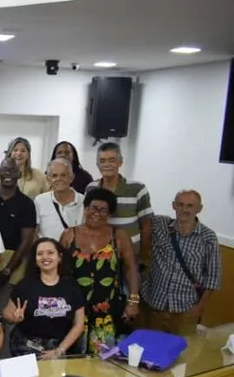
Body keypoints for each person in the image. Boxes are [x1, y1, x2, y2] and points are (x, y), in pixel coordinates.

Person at [59, 188, 139, 354]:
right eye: (93, 208)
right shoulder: (69, 235)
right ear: (85, 208)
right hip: (74, 308)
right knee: (72, 356)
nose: (97, 213)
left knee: (104, 358)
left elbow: (131, 268)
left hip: (107, 310)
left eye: (103, 210)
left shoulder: (119, 236)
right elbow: (59, 271)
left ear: (110, 213)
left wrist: (133, 301)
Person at [141, 190, 222, 336]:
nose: (185, 210)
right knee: (152, 351)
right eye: (180, 205)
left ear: (199, 208)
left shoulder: (208, 237)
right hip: (155, 306)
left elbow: (213, 276)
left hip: (185, 309)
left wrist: (200, 307)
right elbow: (140, 217)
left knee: (182, 354)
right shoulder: (161, 225)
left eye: (190, 206)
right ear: (173, 206)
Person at [3, 238, 86, 359]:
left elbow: (79, 324)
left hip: (61, 348)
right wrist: (13, 318)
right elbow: (6, 314)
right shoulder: (25, 285)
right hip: (26, 347)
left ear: (59, 257)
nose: (45, 257)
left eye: (50, 253)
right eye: (40, 254)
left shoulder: (71, 286)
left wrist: (60, 350)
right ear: (35, 260)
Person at [0, 158, 37, 314]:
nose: (8, 174)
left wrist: (7, 271)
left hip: (13, 264)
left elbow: (26, 242)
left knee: (4, 313)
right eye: (5, 170)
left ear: (19, 174)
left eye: (13, 171)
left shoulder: (27, 204)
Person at [85, 142, 153, 264]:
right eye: (102, 160)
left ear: (120, 162)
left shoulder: (137, 188)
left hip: (130, 256)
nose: (107, 164)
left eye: (112, 160)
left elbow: (147, 226)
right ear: (97, 164)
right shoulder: (91, 188)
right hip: (99, 255)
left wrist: (144, 257)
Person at [34, 158, 84, 240]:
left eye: (63, 175)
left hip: (74, 252)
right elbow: (34, 232)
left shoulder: (83, 201)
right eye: (54, 175)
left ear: (72, 177)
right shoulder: (39, 200)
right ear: (48, 179)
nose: (59, 179)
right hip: (47, 251)